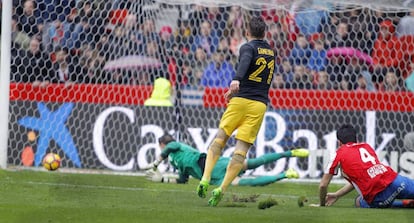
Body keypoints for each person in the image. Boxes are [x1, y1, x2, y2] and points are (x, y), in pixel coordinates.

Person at [196, 16, 276, 206]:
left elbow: (245, 61)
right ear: (264, 33)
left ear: (247, 32)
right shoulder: (271, 51)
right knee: (241, 150)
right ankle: (222, 188)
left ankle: (206, 178)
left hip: (240, 99)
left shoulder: (247, 47)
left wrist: (237, 80)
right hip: (259, 104)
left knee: (220, 138)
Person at [145, 133, 309, 186]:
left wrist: (155, 163)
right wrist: (163, 180)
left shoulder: (174, 147)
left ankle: (290, 155)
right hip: (209, 174)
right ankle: (286, 172)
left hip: (209, 166)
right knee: (248, 176)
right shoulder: (175, 159)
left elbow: (170, 147)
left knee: (251, 165)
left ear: (161, 144)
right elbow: (183, 180)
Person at [317, 125, 414, 208]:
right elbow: (367, 176)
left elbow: (323, 185)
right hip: (397, 181)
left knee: (358, 201)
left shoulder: (338, 154)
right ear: (356, 138)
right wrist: (337, 195)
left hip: (379, 196)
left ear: (339, 142)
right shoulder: (366, 146)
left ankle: (404, 204)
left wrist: (322, 204)